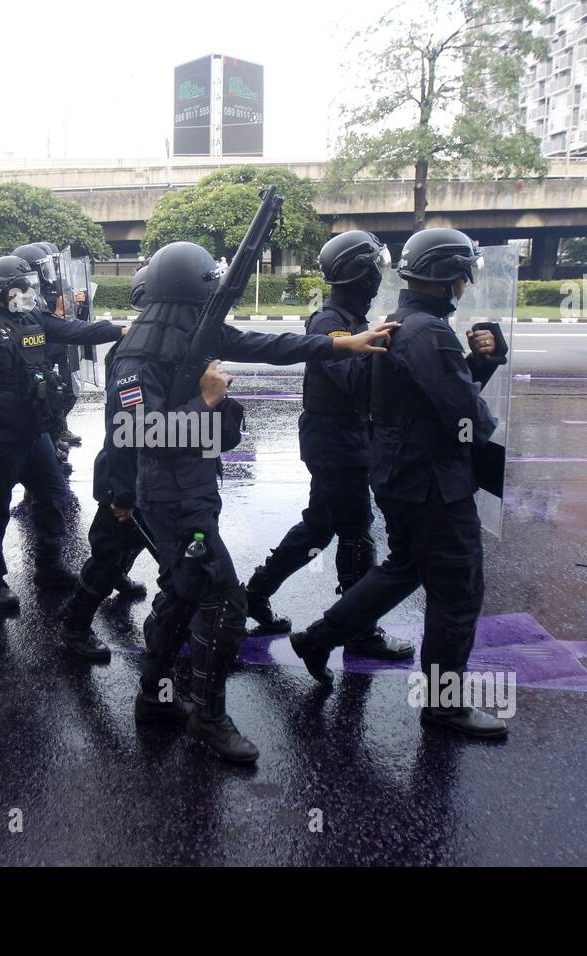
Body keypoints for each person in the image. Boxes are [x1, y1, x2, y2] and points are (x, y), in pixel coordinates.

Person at [110, 241, 394, 764]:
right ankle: (208, 715)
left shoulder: (190, 330)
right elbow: (137, 432)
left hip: (195, 484)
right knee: (225, 601)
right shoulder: (139, 352)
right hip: (169, 499)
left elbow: (268, 345)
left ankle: (155, 697)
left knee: (183, 591)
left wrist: (342, 346)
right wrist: (208, 400)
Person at [289, 228, 510, 738]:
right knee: (458, 591)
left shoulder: (397, 323)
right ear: (454, 278)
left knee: (402, 569)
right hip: (434, 484)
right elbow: (469, 414)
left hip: (398, 477)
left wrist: (478, 361)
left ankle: (318, 638)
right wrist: (478, 377)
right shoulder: (429, 332)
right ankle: (443, 704)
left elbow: (421, 399)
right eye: (464, 275)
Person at [243, 231, 414, 661]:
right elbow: (353, 380)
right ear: (359, 274)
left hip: (344, 439)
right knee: (357, 531)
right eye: (374, 267)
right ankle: (360, 630)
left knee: (319, 527)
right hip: (335, 443)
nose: (379, 276)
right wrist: (382, 347)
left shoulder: (352, 319)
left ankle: (254, 593)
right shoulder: (331, 323)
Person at [0, 255, 124, 614]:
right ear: (0, 292)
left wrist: (118, 330)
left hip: (34, 432)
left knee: (53, 496)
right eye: (20, 287)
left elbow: (75, 332)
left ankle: (48, 568)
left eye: (29, 286)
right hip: (0, 439)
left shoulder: (34, 318)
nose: (27, 293)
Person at [58, 267, 153, 663]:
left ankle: (112, 579)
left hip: (145, 471)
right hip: (124, 474)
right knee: (106, 553)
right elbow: (124, 430)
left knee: (129, 542)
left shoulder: (162, 342)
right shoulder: (136, 351)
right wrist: (125, 491)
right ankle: (75, 626)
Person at [12, 242, 83, 461]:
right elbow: (43, 342)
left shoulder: (42, 294)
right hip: (38, 368)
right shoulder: (26, 303)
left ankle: (54, 435)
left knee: (62, 394)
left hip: (54, 358)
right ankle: (50, 439)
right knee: (47, 401)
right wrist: (60, 313)